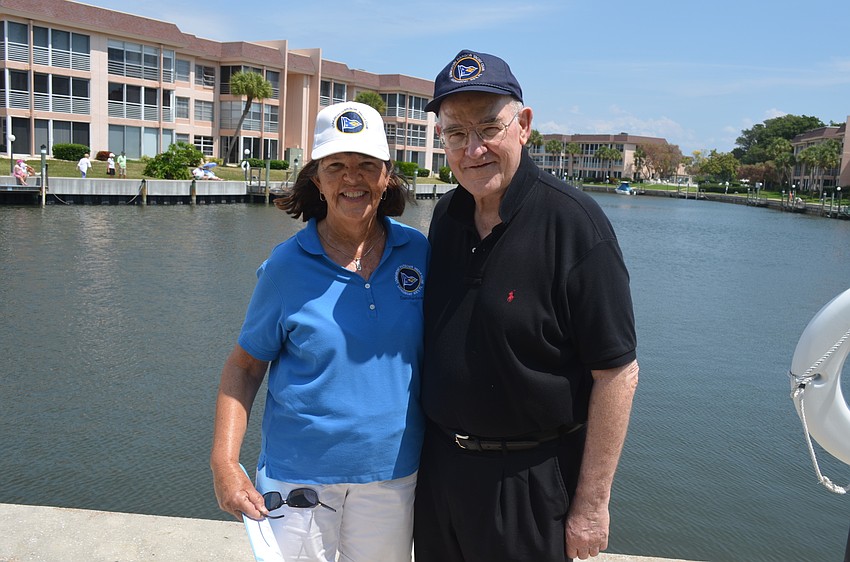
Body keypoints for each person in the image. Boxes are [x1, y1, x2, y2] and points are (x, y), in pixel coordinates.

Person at [413, 50, 639, 562]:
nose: (472, 149)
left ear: (524, 126)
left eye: (489, 128)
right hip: (441, 475)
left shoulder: (576, 226)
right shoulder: (447, 216)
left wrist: (591, 506)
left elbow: (618, 374)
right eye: (454, 133)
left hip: (529, 487)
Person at [211, 101, 427, 562]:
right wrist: (225, 464)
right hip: (298, 479)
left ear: (387, 175)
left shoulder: (421, 253)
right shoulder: (286, 266)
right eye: (337, 165)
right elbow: (244, 368)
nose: (353, 177)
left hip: (393, 476)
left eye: (367, 164)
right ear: (317, 178)